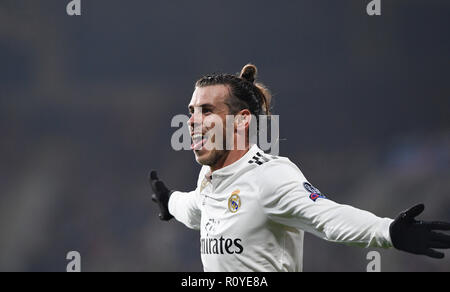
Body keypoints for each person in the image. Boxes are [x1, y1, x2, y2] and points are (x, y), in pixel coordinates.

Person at [150, 64, 450, 272]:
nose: (192, 121)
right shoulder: (209, 178)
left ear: (241, 120)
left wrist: (389, 232)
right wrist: (169, 201)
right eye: (191, 111)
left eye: (206, 110)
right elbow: (196, 208)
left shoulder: (269, 176)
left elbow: (326, 217)